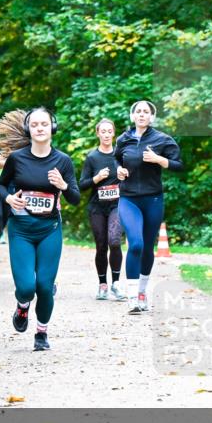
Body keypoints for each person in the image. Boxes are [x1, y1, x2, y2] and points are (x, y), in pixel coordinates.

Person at [0, 107, 80, 351]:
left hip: (49, 229)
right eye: (34, 125)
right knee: (26, 288)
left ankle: (41, 333)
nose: (40, 128)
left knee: (44, 286)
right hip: (21, 229)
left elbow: (75, 198)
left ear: (52, 127)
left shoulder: (63, 161)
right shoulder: (17, 158)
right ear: (28, 129)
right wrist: (9, 199)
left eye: (44, 124)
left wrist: (63, 185)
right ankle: (22, 306)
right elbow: (1, 186)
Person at [114, 100, 182, 313]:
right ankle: (132, 297)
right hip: (128, 199)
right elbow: (116, 159)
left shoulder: (163, 139)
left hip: (153, 200)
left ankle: (142, 292)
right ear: (132, 116)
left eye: (146, 112)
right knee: (135, 244)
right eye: (138, 111)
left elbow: (178, 165)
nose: (142, 114)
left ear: (152, 117)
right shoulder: (123, 139)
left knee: (147, 247)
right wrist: (118, 170)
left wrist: (159, 159)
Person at [79, 119, 126, 301]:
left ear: (113, 133)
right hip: (97, 207)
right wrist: (96, 178)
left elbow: (132, 177)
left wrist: (126, 175)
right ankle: (103, 285)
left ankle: (116, 283)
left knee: (114, 241)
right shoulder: (92, 157)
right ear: (98, 133)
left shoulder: (120, 156)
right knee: (101, 245)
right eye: (103, 131)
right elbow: (82, 185)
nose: (106, 134)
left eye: (109, 131)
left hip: (117, 205)